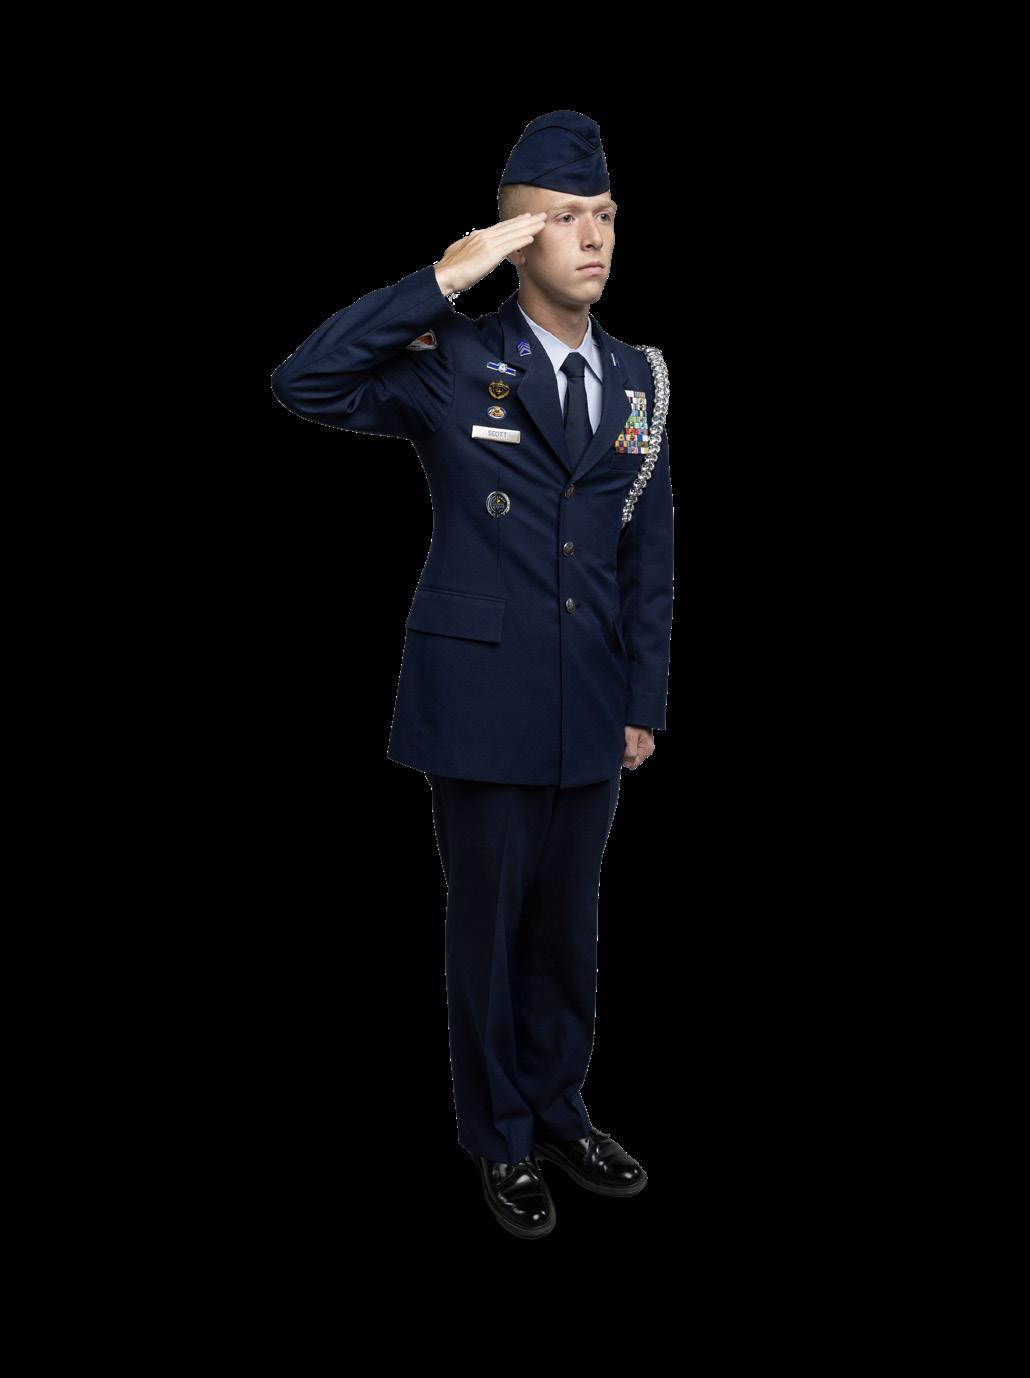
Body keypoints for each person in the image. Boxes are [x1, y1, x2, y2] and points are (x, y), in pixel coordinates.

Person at [271, 110, 673, 1239]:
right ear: (515, 236)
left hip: (591, 699)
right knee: (490, 932)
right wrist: (445, 279)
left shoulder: (638, 378)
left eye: (604, 216)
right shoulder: (452, 357)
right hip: (483, 695)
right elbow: (303, 382)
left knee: (568, 933)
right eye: (563, 218)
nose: (592, 238)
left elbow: (649, 558)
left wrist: (643, 701)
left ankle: (561, 1111)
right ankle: (499, 1138)